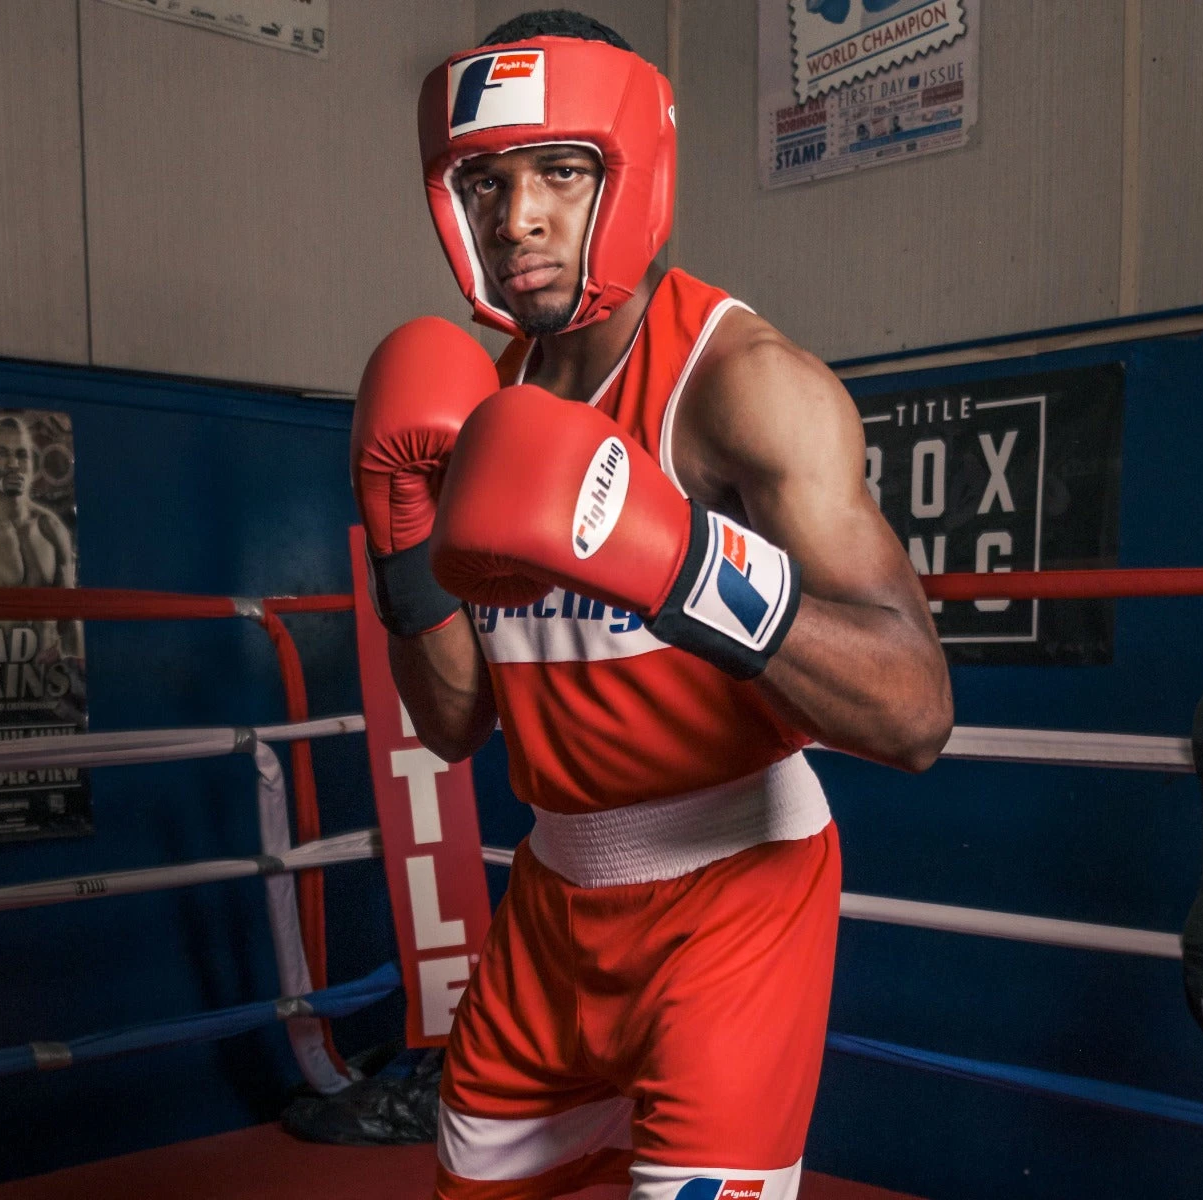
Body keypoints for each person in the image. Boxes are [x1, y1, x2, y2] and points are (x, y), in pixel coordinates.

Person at [352, 12, 953, 1199]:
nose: (516, 216)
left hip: (734, 899)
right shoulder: (467, 405)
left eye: (559, 174)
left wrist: (674, 562)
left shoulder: (744, 389)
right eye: (485, 180)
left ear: (632, 173)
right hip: (552, 905)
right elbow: (455, 722)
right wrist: (402, 543)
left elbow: (913, 712)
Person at [0, 416, 81, 657]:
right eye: (2, 453)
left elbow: (69, 618)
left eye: (22, 455)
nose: (13, 464)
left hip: (47, 678)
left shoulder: (50, 527)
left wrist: (75, 674)